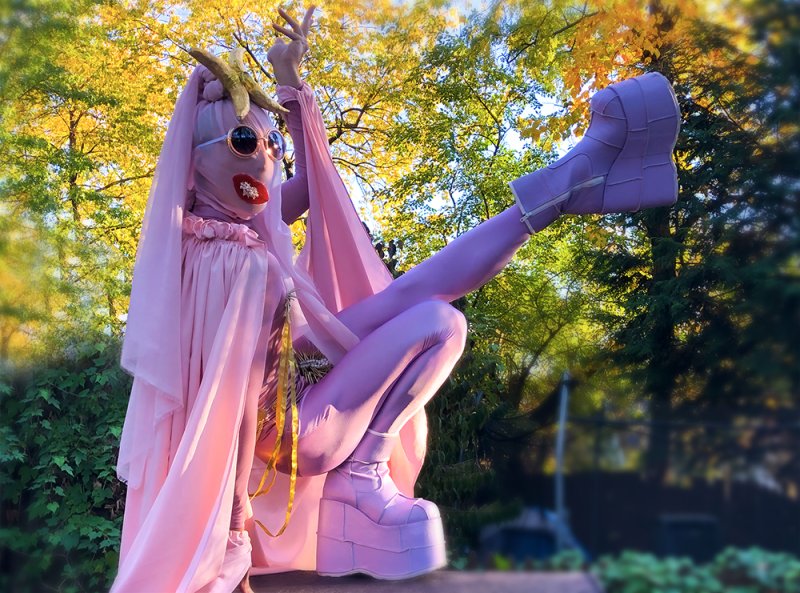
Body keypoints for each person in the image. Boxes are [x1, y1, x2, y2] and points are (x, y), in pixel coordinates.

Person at [110, 5, 681, 592]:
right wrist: (232, 532)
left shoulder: (238, 232)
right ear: (194, 158)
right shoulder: (227, 256)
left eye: (271, 144)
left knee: (420, 300)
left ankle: (569, 185)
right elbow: (219, 408)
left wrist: (291, 84)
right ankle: (358, 474)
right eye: (243, 141)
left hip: (297, 383)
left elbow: (314, 188)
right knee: (437, 320)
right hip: (295, 430)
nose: (265, 159)